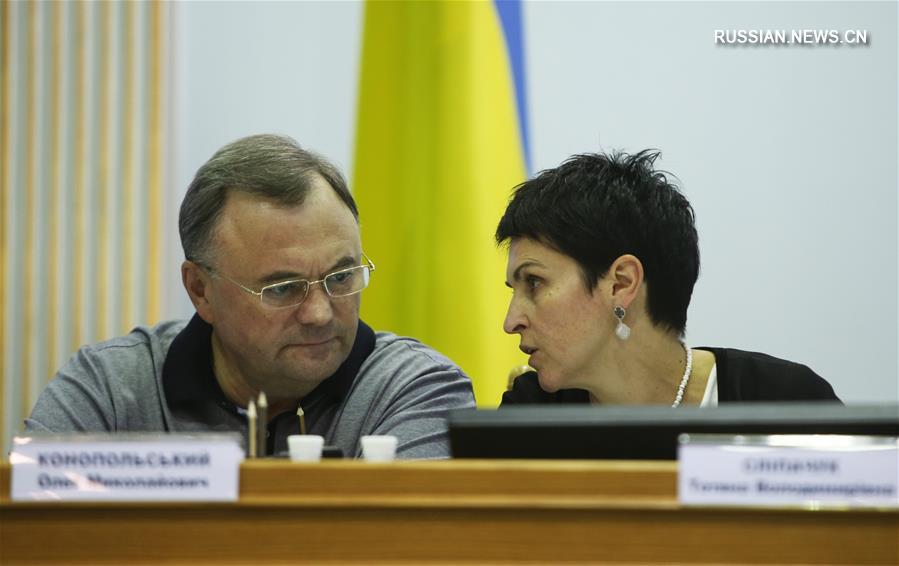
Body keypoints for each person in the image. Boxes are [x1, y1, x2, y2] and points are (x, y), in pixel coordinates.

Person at [27, 134, 475, 458]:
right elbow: (29, 535)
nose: (320, 314)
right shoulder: (110, 388)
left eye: (340, 278)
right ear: (200, 290)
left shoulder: (414, 389)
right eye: (282, 288)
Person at [497, 150, 840, 406]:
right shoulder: (528, 417)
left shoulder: (786, 402)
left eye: (535, 283)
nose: (511, 322)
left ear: (622, 283)